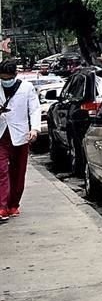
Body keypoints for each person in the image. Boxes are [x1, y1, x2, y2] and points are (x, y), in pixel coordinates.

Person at [0, 60, 40, 222]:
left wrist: (35, 129)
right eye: (2, 78)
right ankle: (1, 206)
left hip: (20, 134)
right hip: (1, 134)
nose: (5, 80)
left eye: (8, 77)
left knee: (18, 172)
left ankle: (13, 204)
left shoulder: (26, 87)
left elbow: (35, 109)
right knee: (1, 171)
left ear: (15, 75)